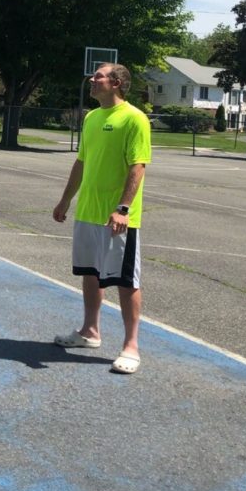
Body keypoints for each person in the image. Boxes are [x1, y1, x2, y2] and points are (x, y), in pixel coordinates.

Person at [52, 63, 151, 374]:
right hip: (88, 211)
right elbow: (82, 162)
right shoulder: (92, 117)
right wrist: (66, 199)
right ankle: (89, 332)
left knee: (125, 281)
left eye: (98, 76)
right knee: (91, 273)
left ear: (117, 82)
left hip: (118, 217)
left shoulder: (134, 118)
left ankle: (131, 346)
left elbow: (138, 166)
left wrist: (123, 208)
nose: (91, 80)